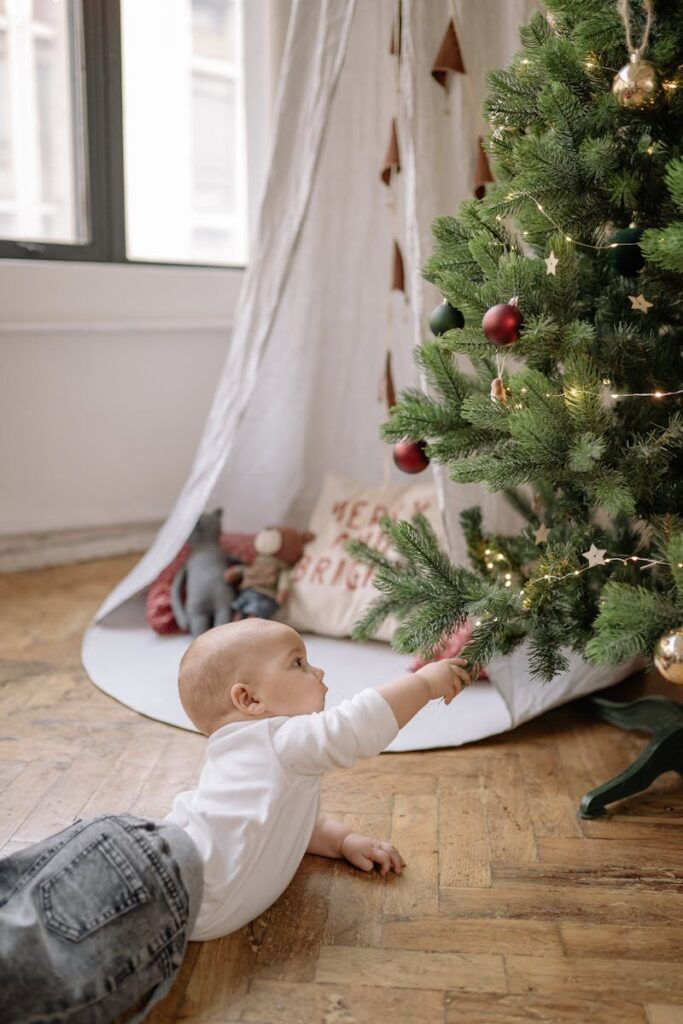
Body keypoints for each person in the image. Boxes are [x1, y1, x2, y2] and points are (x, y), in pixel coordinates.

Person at [0, 618, 470, 1023]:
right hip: (159, 872)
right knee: (35, 971)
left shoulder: (264, 753)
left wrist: (344, 840)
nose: (319, 670)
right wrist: (424, 684)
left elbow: (279, 821)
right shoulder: (280, 739)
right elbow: (355, 728)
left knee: (24, 915)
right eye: (298, 663)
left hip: (151, 868)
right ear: (249, 699)